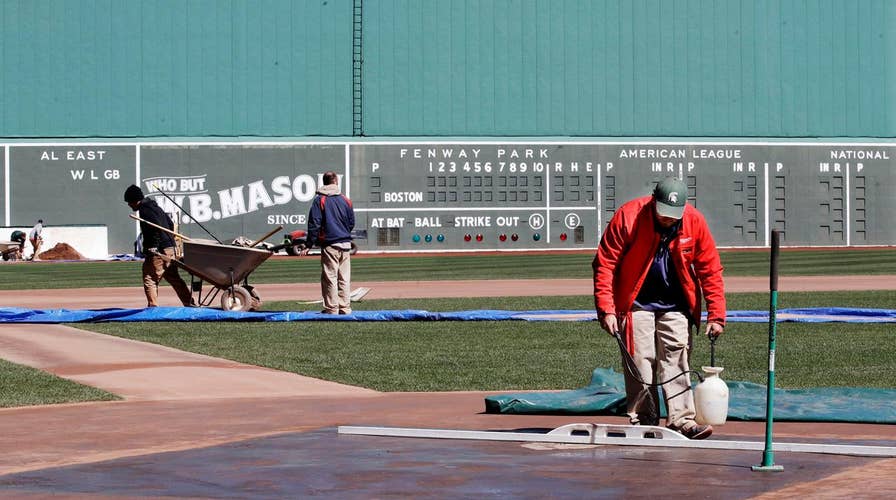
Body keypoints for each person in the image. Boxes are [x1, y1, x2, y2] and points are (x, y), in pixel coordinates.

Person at [592, 176, 726, 440]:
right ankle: (644, 420)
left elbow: (710, 269)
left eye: (673, 216)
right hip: (635, 303)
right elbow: (605, 264)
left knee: (676, 358)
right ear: (653, 201)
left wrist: (717, 314)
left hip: (676, 303)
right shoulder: (628, 217)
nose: (668, 219)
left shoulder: (694, 221)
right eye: (663, 213)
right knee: (641, 361)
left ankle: (682, 420)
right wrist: (606, 309)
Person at [123, 185, 194, 308]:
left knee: (150, 277)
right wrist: (170, 241)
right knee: (174, 278)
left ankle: (152, 307)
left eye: (129, 202)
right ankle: (190, 304)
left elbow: (154, 228)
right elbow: (170, 224)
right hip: (170, 248)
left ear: (134, 200)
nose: (129, 205)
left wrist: (154, 246)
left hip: (159, 250)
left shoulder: (145, 209)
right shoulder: (156, 207)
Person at [301, 171, 355, 314]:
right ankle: (345, 307)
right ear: (336, 182)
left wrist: (309, 244)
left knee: (330, 277)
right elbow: (351, 223)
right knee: (344, 278)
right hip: (345, 244)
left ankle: (332, 308)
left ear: (324, 183)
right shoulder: (345, 200)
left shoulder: (320, 200)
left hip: (330, 244)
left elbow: (315, 223)